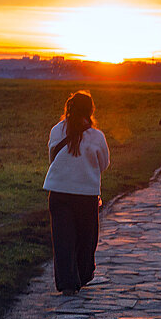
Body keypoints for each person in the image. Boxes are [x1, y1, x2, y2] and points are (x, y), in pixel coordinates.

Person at [42, 90, 110, 295]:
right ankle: (81, 275)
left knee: (63, 239)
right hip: (86, 195)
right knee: (86, 238)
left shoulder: (56, 130)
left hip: (58, 191)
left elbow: (52, 158)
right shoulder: (97, 136)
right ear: (90, 110)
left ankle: (68, 283)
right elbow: (104, 164)